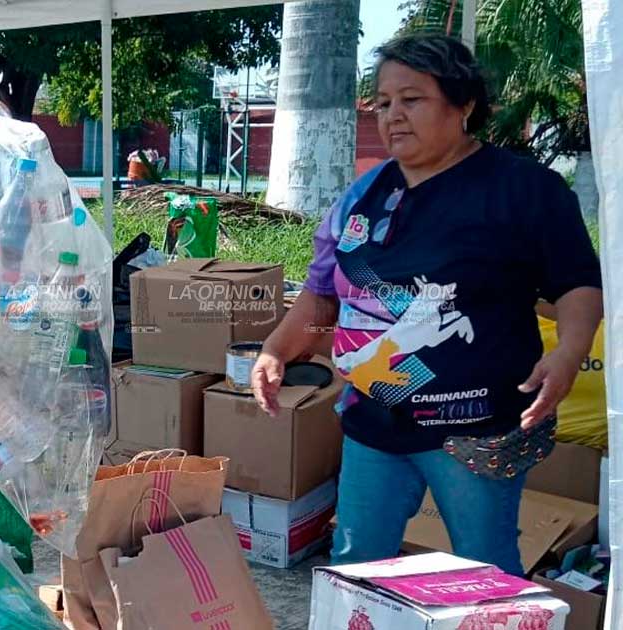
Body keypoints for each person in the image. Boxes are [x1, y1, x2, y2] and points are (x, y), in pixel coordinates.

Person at [251, 34, 602, 576]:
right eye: (384, 103)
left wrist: (569, 351)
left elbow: (579, 284)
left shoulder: (524, 189)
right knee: (356, 567)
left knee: (484, 574)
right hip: (373, 424)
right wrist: (276, 350)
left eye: (411, 99)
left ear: (463, 104)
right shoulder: (361, 196)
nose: (393, 115)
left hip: (473, 430)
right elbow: (323, 294)